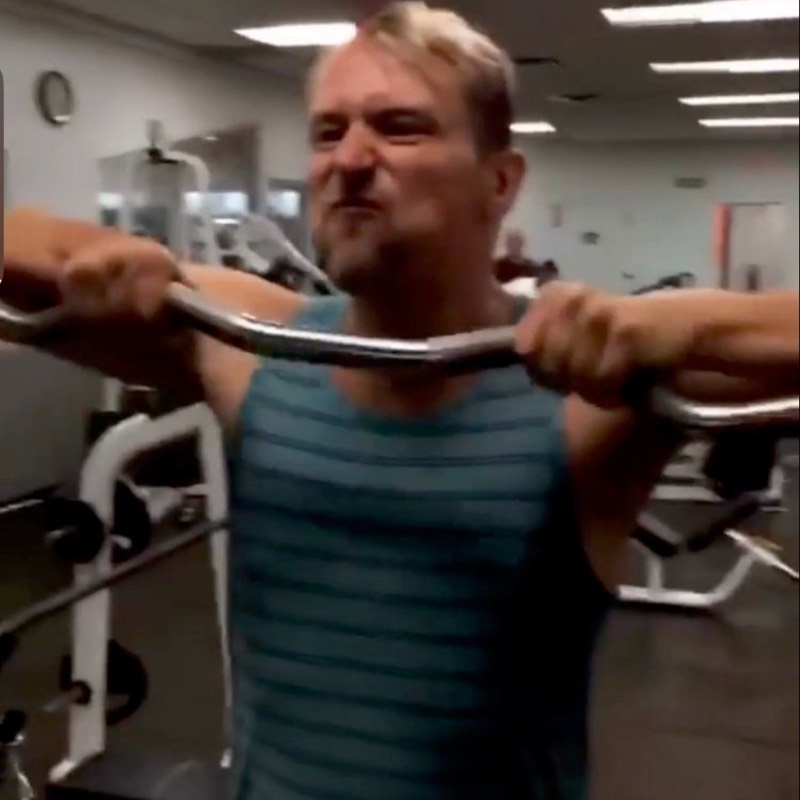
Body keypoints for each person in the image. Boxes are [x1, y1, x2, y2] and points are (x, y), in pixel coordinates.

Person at [2, 3, 798, 799]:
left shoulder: (587, 402)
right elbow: (25, 243)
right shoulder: (258, 342)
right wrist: (109, 256)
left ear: (500, 181)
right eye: (328, 132)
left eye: (401, 127)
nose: (350, 159)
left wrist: (683, 321)